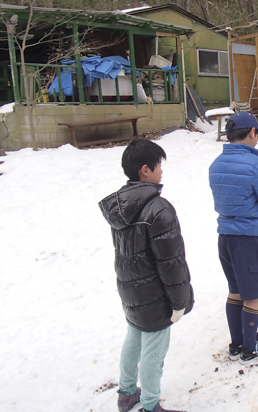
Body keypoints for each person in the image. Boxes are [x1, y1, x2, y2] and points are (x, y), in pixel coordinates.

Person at [99, 138, 194, 412]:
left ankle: (127, 392)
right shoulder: (158, 209)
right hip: (154, 294)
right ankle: (150, 404)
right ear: (145, 169)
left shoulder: (121, 206)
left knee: (134, 336)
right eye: (158, 166)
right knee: (154, 349)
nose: (161, 171)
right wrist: (179, 301)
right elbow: (170, 262)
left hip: (130, 289)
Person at [209, 112, 258, 362]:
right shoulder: (255, 165)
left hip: (225, 236)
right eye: (257, 134)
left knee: (236, 289)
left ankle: (237, 343)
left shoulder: (216, 164)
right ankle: (251, 348)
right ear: (252, 133)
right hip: (250, 238)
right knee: (253, 292)